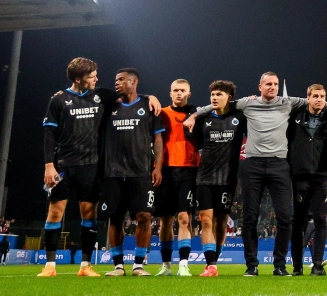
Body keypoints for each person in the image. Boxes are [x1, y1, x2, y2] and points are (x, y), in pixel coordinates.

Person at [184, 71, 327, 276]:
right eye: (268, 84)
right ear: (259, 87)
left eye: (275, 84)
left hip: (279, 165)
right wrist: (195, 115)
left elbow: (318, 100)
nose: (272, 87)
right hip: (253, 166)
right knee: (250, 218)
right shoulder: (247, 103)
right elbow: (219, 105)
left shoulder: (287, 102)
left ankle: (279, 265)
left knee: (285, 218)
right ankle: (252, 265)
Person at [40, 57, 160, 278]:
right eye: (91, 76)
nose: (97, 78)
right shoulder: (59, 100)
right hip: (63, 165)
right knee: (55, 213)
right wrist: (49, 166)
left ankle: (85, 265)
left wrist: (150, 96)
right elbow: (49, 134)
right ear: (78, 79)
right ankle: (49, 265)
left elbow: (131, 95)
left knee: (89, 215)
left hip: (92, 166)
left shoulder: (101, 95)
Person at [100, 69, 165, 277]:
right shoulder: (109, 105)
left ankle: (138, 264)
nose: (116, 83)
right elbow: (94, 92)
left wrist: (157, 166)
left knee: (144, 215)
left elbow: (158, 139)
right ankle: (118, 265)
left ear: (134, 81)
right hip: (113, 171)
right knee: (115, 218)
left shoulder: (148, 107)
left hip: (141, 171)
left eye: (121, 79)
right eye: (115, 79)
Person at [191, 80, 244, 277]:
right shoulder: (203, 119)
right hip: (204, 177)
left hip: (227, 178)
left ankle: (215, 259)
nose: (214, 97)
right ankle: (211, 264)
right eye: (212, 94)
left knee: (221, 222)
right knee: (206, 220)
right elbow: (195, 144)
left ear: (229, 98)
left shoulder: (239, 117)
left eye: (219, 94)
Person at [287, 84, 327, 275]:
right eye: (315, 96)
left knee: (320, 219)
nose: (319, 99)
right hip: (300, 176)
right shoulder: (295, 116)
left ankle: (317, 265)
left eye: (323, 96)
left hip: (323, 176)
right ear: (307, 97)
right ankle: (297, 266)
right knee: (298, 221)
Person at [152, 79, 199, 277]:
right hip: (166, 170)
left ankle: (184, 264)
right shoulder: (161, 113)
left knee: (184, 218)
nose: (179, 93)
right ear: (170, 93)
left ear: (189, 93)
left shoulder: (197, 113)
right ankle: (166, 265)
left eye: (182, 91)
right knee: (165, 220)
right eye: (175, 90)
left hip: (188, 170)